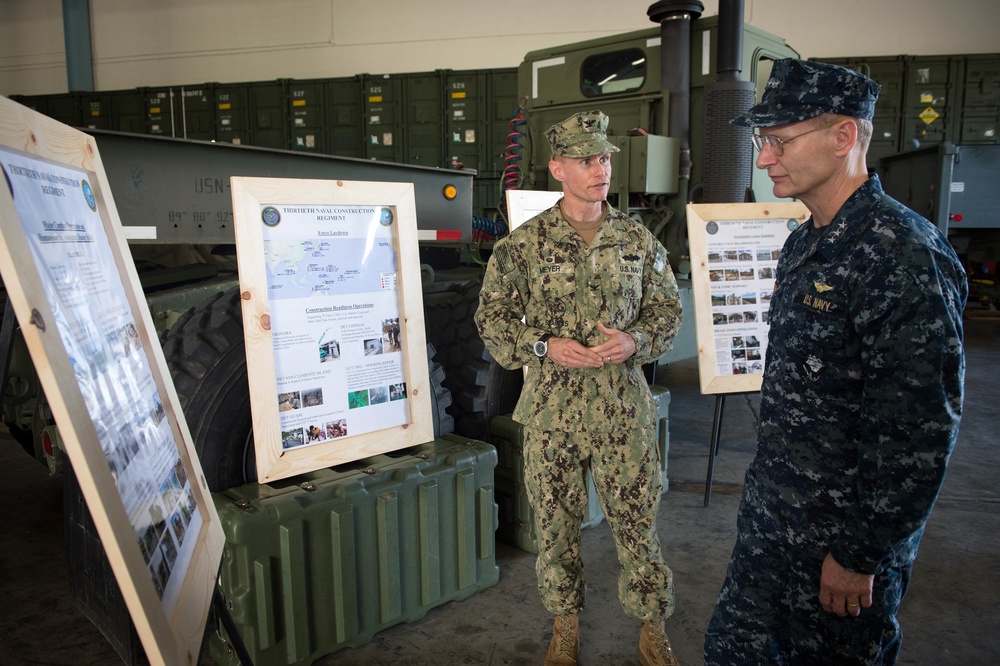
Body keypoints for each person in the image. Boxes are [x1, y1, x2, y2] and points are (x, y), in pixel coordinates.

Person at [704, 59, 967, 664]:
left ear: (844, 136)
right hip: (775, 526)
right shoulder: (808, 239)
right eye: (761, 140)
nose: (764, 158)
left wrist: (858, 555)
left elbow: (917, 436)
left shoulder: (903, 256)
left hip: (839, 551)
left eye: (779, 139)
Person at [475, 110, 683, 666]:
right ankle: (564, 625)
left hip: (621, 408)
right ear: (558, 167)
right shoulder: (523, 246)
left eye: (607, 157)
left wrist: (635, 342)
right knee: (557, 527)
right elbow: (492, 319)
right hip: (552, 411)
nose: (602, 169)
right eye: (588, 159)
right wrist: (543, 346)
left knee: (638, 520)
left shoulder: (636, 239)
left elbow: (668, 310)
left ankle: (650, 626)